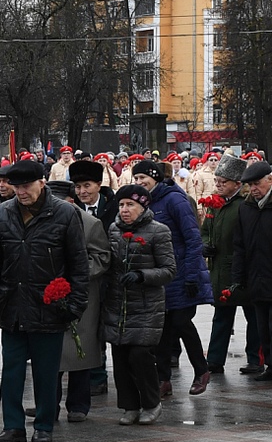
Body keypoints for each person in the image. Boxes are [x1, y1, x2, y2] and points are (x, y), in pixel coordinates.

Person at [0, 160, 89, 442]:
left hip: (49, 305)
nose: (20, 192)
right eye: (16, 187)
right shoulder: (2, 213)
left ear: (42, 182)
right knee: (13, 369)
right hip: (12, 304)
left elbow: (79, 265)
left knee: (45, 371)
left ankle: (44, 425)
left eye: (26, 186)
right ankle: (13, 426)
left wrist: (75, 304)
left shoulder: (65, 214)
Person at [132, 160, 213, 397]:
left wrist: (190, 275)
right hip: (161, 275)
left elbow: (192, 238)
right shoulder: (146, 202)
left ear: (155, 177)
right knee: (163, 329)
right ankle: (163, 379)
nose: (139, 183)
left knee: (180, 323)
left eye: (143, 178)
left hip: (183, 272)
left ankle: (202, 370)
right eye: (135, 179)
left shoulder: (175, 199)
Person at [104, 185, 176, 424]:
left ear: (143, 206)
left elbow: (168, 270)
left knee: (140, 356)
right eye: (122, 205)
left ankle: (151, 403)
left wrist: (142, 275)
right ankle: (129, 406)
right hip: (118, 305)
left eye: (130, 205)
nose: (124, 210)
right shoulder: (113, 229)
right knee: (121, 357)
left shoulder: (158, 231)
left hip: (146, 306)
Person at [49, 181, 111, 422]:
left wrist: (77, 272)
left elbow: (102, 258)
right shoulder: (41, 221)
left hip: (82, 296)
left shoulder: (90, 224)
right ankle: (48, 403)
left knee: (79, 351)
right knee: (49, 354)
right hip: (51, 295)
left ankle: (78, 404)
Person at [202, 155, 260, 374]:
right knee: (222, 316)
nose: (218, 186)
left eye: (223, 182)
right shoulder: (213, 205)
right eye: (217, 181)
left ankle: (255, 359)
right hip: (219, 269)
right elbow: (205, 231)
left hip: (242, 268)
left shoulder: (245, 205)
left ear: (237, 184)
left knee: (253, 316)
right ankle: (215, 359)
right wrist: (205, 245)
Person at [232, 160, 272, 381]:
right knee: (262, 327)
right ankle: (270, 365)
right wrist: (238, 277)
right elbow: (240, 246)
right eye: (250, 185)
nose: (253, 189)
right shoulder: (246, 208)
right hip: (256, 277)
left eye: (257, 184)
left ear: (270, 180)